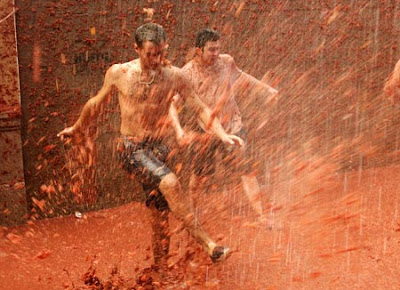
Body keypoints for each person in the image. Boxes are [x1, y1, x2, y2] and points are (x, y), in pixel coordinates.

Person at [57, 23, 244, 267]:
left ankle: (159, 270)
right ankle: (210, 246)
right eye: (149, 54)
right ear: (136, 49)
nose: (156, 59)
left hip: (158, 149)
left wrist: (221, 134)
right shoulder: (119, 73)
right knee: (171, 182)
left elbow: (199, 108)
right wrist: (76, 128)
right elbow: (95, 103)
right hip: (130, 148)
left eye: (160, 53)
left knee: (159, 215)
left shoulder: (175, 76)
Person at [170, 28, 278, 222]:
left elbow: (243, 77)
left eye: (218, 49)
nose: (216, 54)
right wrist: (178, 130)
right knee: (198, 177)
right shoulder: (187, 73)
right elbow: (173, 103)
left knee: (246, 172)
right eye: (211, 50)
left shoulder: (226, 62)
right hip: (206, 132)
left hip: (233, 127)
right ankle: (193, 217)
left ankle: (262, 216)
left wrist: (266, 89)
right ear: (198, 51)